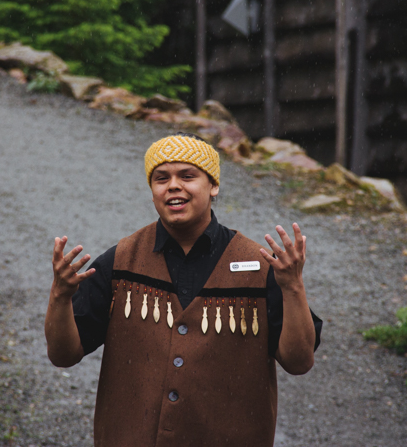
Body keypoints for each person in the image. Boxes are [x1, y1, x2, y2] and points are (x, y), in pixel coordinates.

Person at [45, 133, 322, 447]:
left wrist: (293, 287)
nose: (173, 186)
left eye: (188, 176)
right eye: (161, 178)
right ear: (152, 192)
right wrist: (61, 295)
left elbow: (299, 362)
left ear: (213, 186)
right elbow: (62, 355)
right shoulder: (120, 262)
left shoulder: (260, 268)